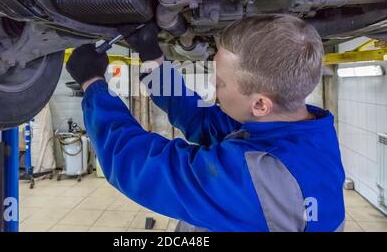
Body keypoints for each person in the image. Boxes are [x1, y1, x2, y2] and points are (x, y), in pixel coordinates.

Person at [66, 14, 345, 232]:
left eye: (220, 81)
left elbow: (135, 164)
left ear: (260, 104)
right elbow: (200, 119)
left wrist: (93, 83)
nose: (212, 83)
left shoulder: (260, 179)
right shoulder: (302, 128)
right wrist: (152, 58)